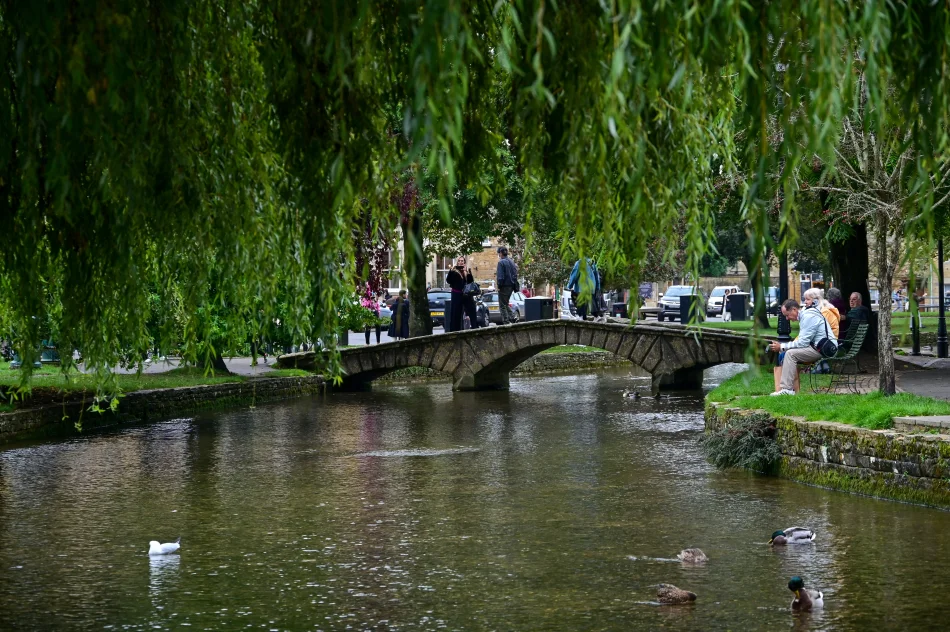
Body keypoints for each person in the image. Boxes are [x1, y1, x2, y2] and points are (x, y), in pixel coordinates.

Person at [769, 289, 832, 395]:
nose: (787, 318)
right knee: (789, 353)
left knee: (790, 354)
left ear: (794, 309)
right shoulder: (805, 316)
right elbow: (803, 341)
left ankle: (787, 390)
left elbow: (802, 343)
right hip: (819, 346)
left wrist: (782, 347)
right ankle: (788, 388)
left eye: (787, 315)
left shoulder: (807, 317)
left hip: (823, 348)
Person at [446, 256, 480, 332]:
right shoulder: (454, 271)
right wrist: (451, 271)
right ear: (457, 262)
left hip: (466, 294)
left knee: (472, 309)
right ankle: (455, 330)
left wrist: (467, 272)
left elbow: (470, 282)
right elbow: (448, 281)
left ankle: (475, 327)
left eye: (462, 261)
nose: (461, 262)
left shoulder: (466, 270)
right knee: (456, 312)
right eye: (459, 261)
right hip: (456, 294)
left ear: (464, 262)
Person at [495, 246, 519, 325]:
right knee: (505, 303)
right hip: (512, 286)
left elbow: (500, 277)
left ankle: (506, 322)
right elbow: (515, 274)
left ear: (500, 253)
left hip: (504, 286)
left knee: (502, 305)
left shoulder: (501, 262)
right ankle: (513, 317)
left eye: (499, 253)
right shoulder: (511, 262)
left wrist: (499, 286)